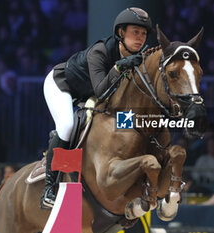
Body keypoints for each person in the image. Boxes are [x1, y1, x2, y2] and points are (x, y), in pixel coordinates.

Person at [41, 7, 152, 209]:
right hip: (62, 85)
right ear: (121, 33)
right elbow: (101, 91)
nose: (141, 38)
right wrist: (119, 67)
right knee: (66, 125)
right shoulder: (99, 52)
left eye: (144, 33)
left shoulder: (139, 57)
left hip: (89, 94)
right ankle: (50, 187)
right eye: (135, 32)